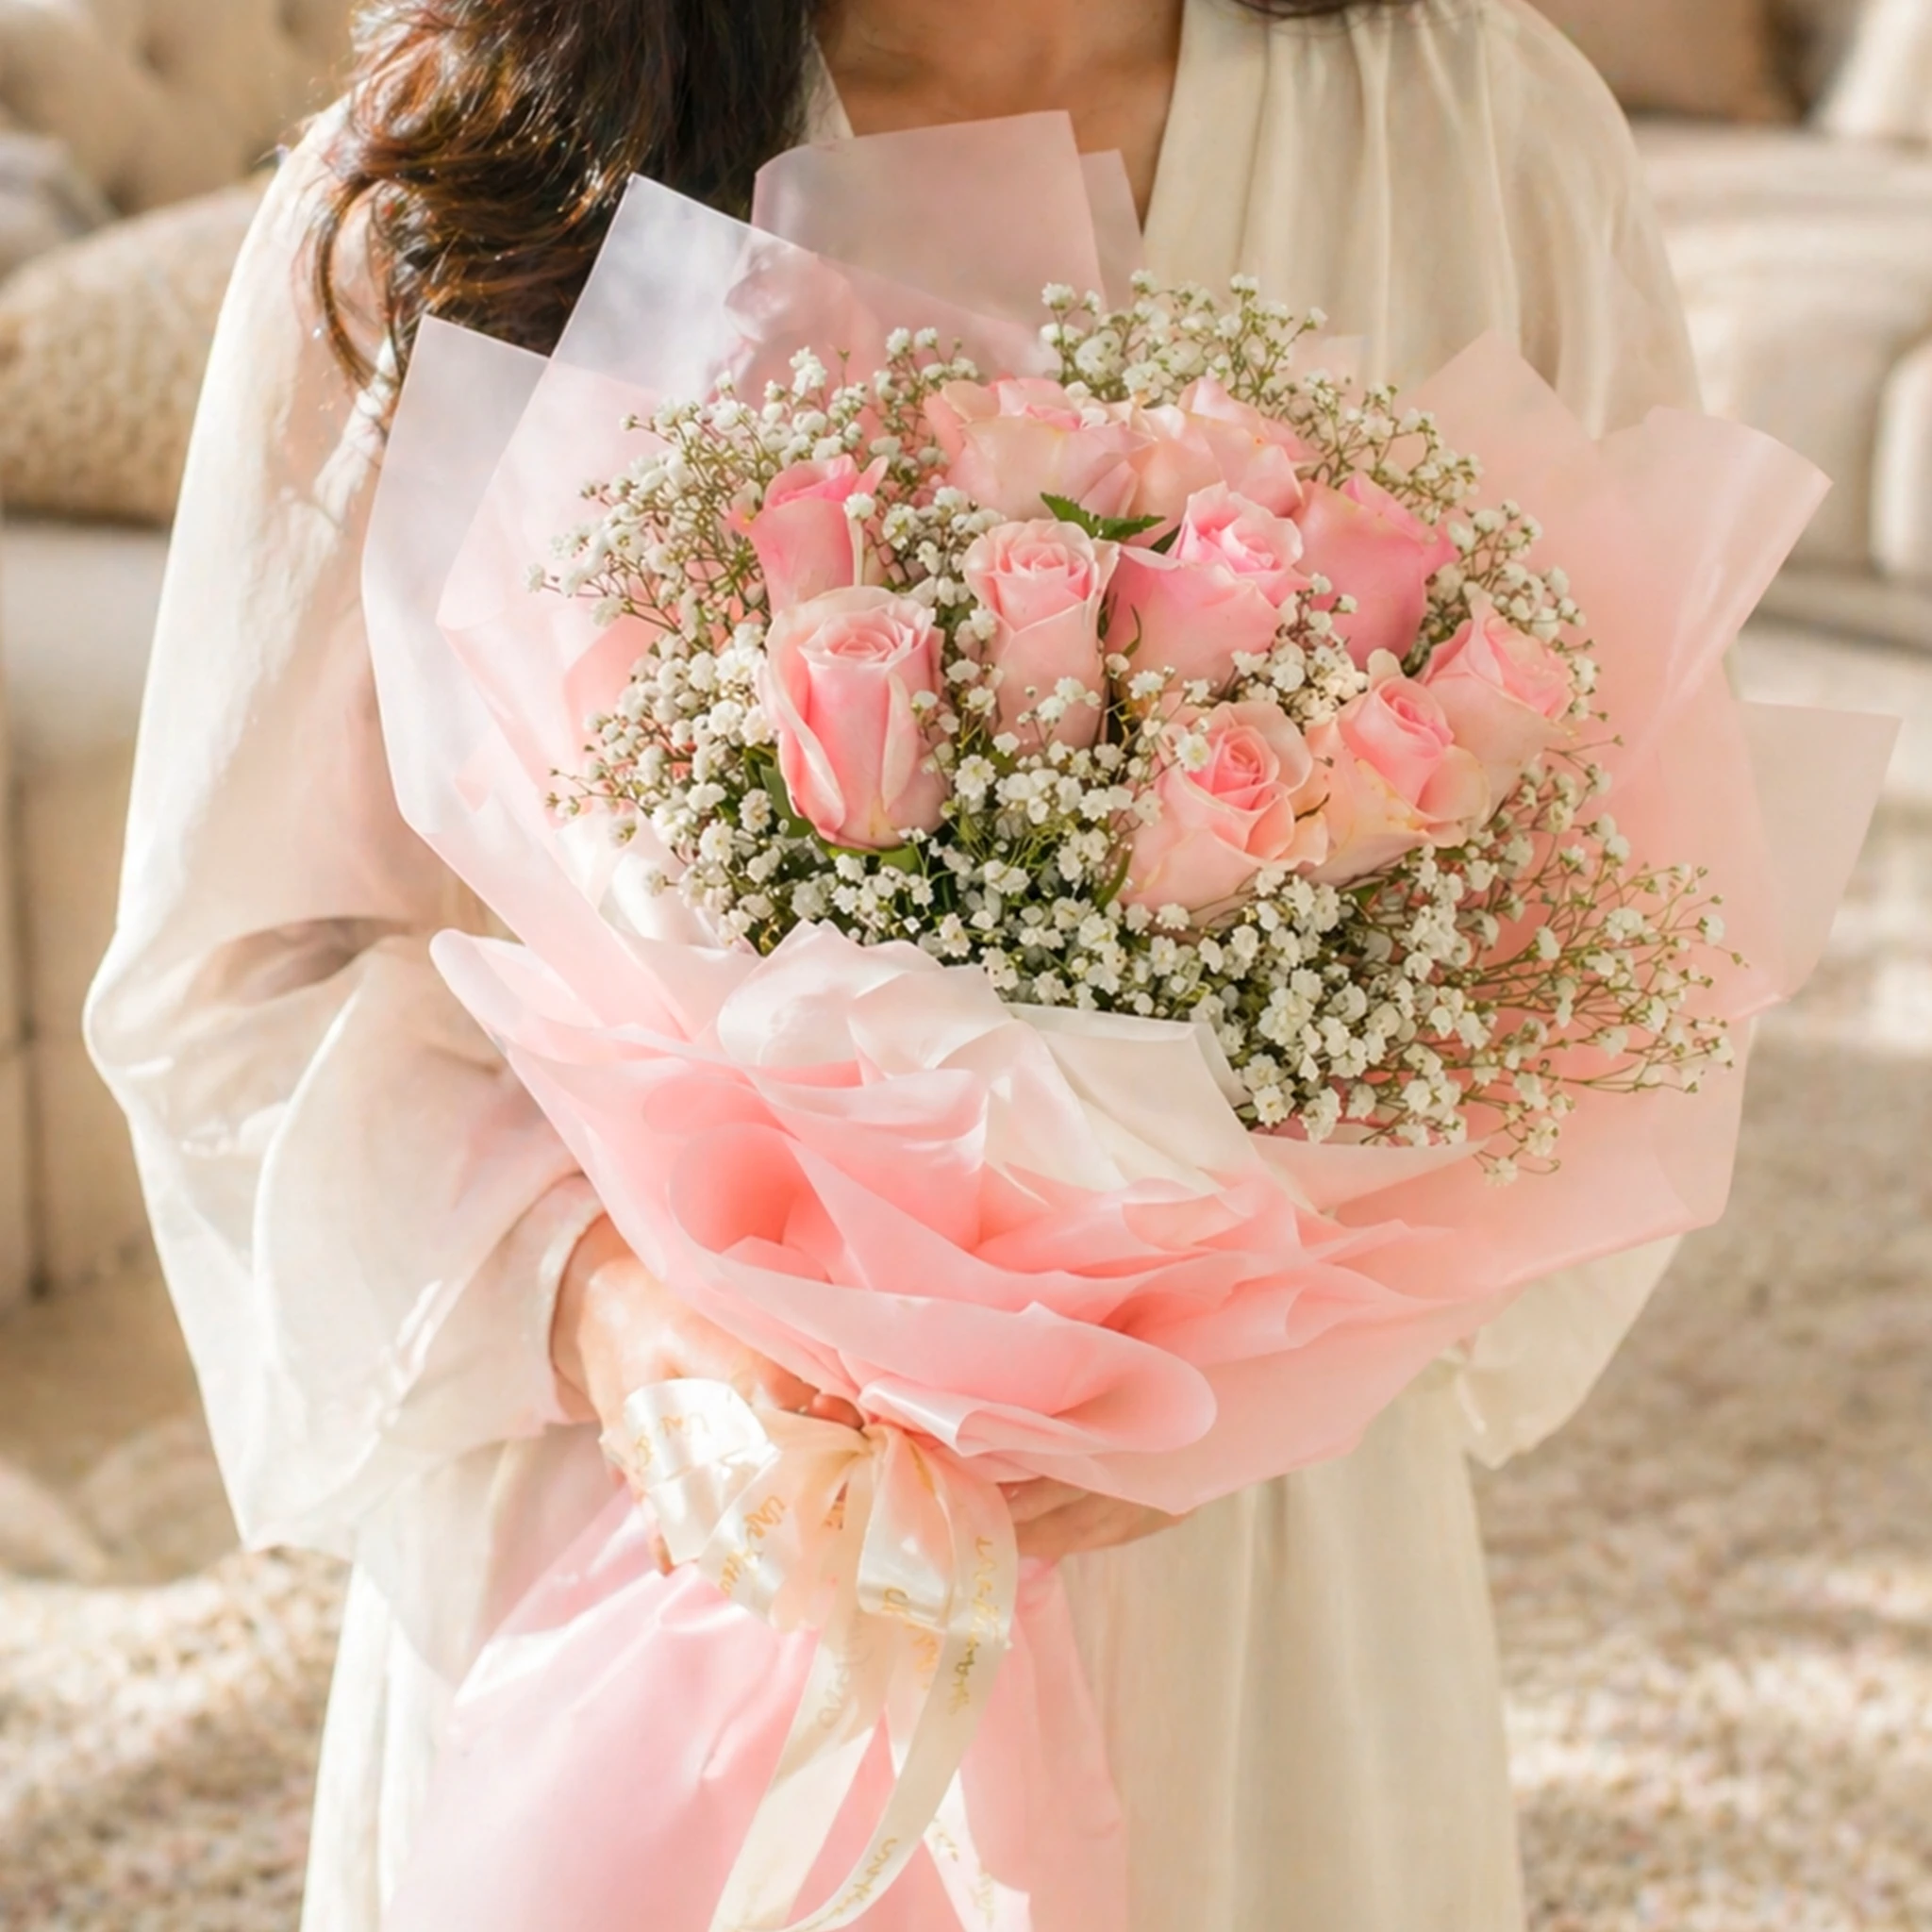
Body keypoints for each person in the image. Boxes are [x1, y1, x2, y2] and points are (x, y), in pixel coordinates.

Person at [87, 2, 1697, 1926]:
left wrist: (1268, 1361)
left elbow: (1617, 913)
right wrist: (613, 1316)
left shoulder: (1487, 136)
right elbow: (239, 968)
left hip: (1243, 1567)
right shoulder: (461, 157)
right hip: (670, 1517)